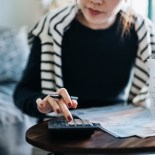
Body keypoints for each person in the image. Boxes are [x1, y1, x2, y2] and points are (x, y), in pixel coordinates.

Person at [14, 0, 155, 122]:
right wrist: (42, 102)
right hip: (64, 130)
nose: (96, 1)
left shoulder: (143, 33)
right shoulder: (50, 28)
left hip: (118, 125)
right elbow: (22, 91)